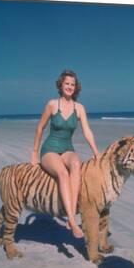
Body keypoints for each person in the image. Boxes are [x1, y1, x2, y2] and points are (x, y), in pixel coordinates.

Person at [31, 70, 100, 238]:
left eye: (72, 84)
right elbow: (40, 128)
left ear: (76, 88)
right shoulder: (52, 105)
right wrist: (34, 152)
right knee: (62, 172)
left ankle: (71, 215)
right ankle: (71, 219)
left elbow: (87, 131)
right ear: (60, 85)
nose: (70, 87)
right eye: (67, 83)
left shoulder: (80, 108)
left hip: (67, 148)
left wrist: (96, 152)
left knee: (76, 164)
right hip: (50, 149)